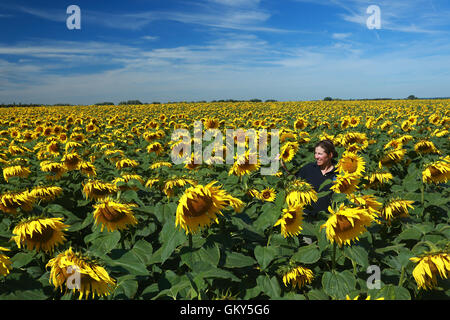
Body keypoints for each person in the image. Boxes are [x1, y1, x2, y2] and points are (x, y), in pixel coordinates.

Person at [280, 139, 338, 219]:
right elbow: (293, 182)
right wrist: (283, 168)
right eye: (315, 153)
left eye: (320, 154)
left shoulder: (339, 173)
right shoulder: (308, 168)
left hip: (327, 219)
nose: (316, 156)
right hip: (306, 217)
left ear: (330, 155)